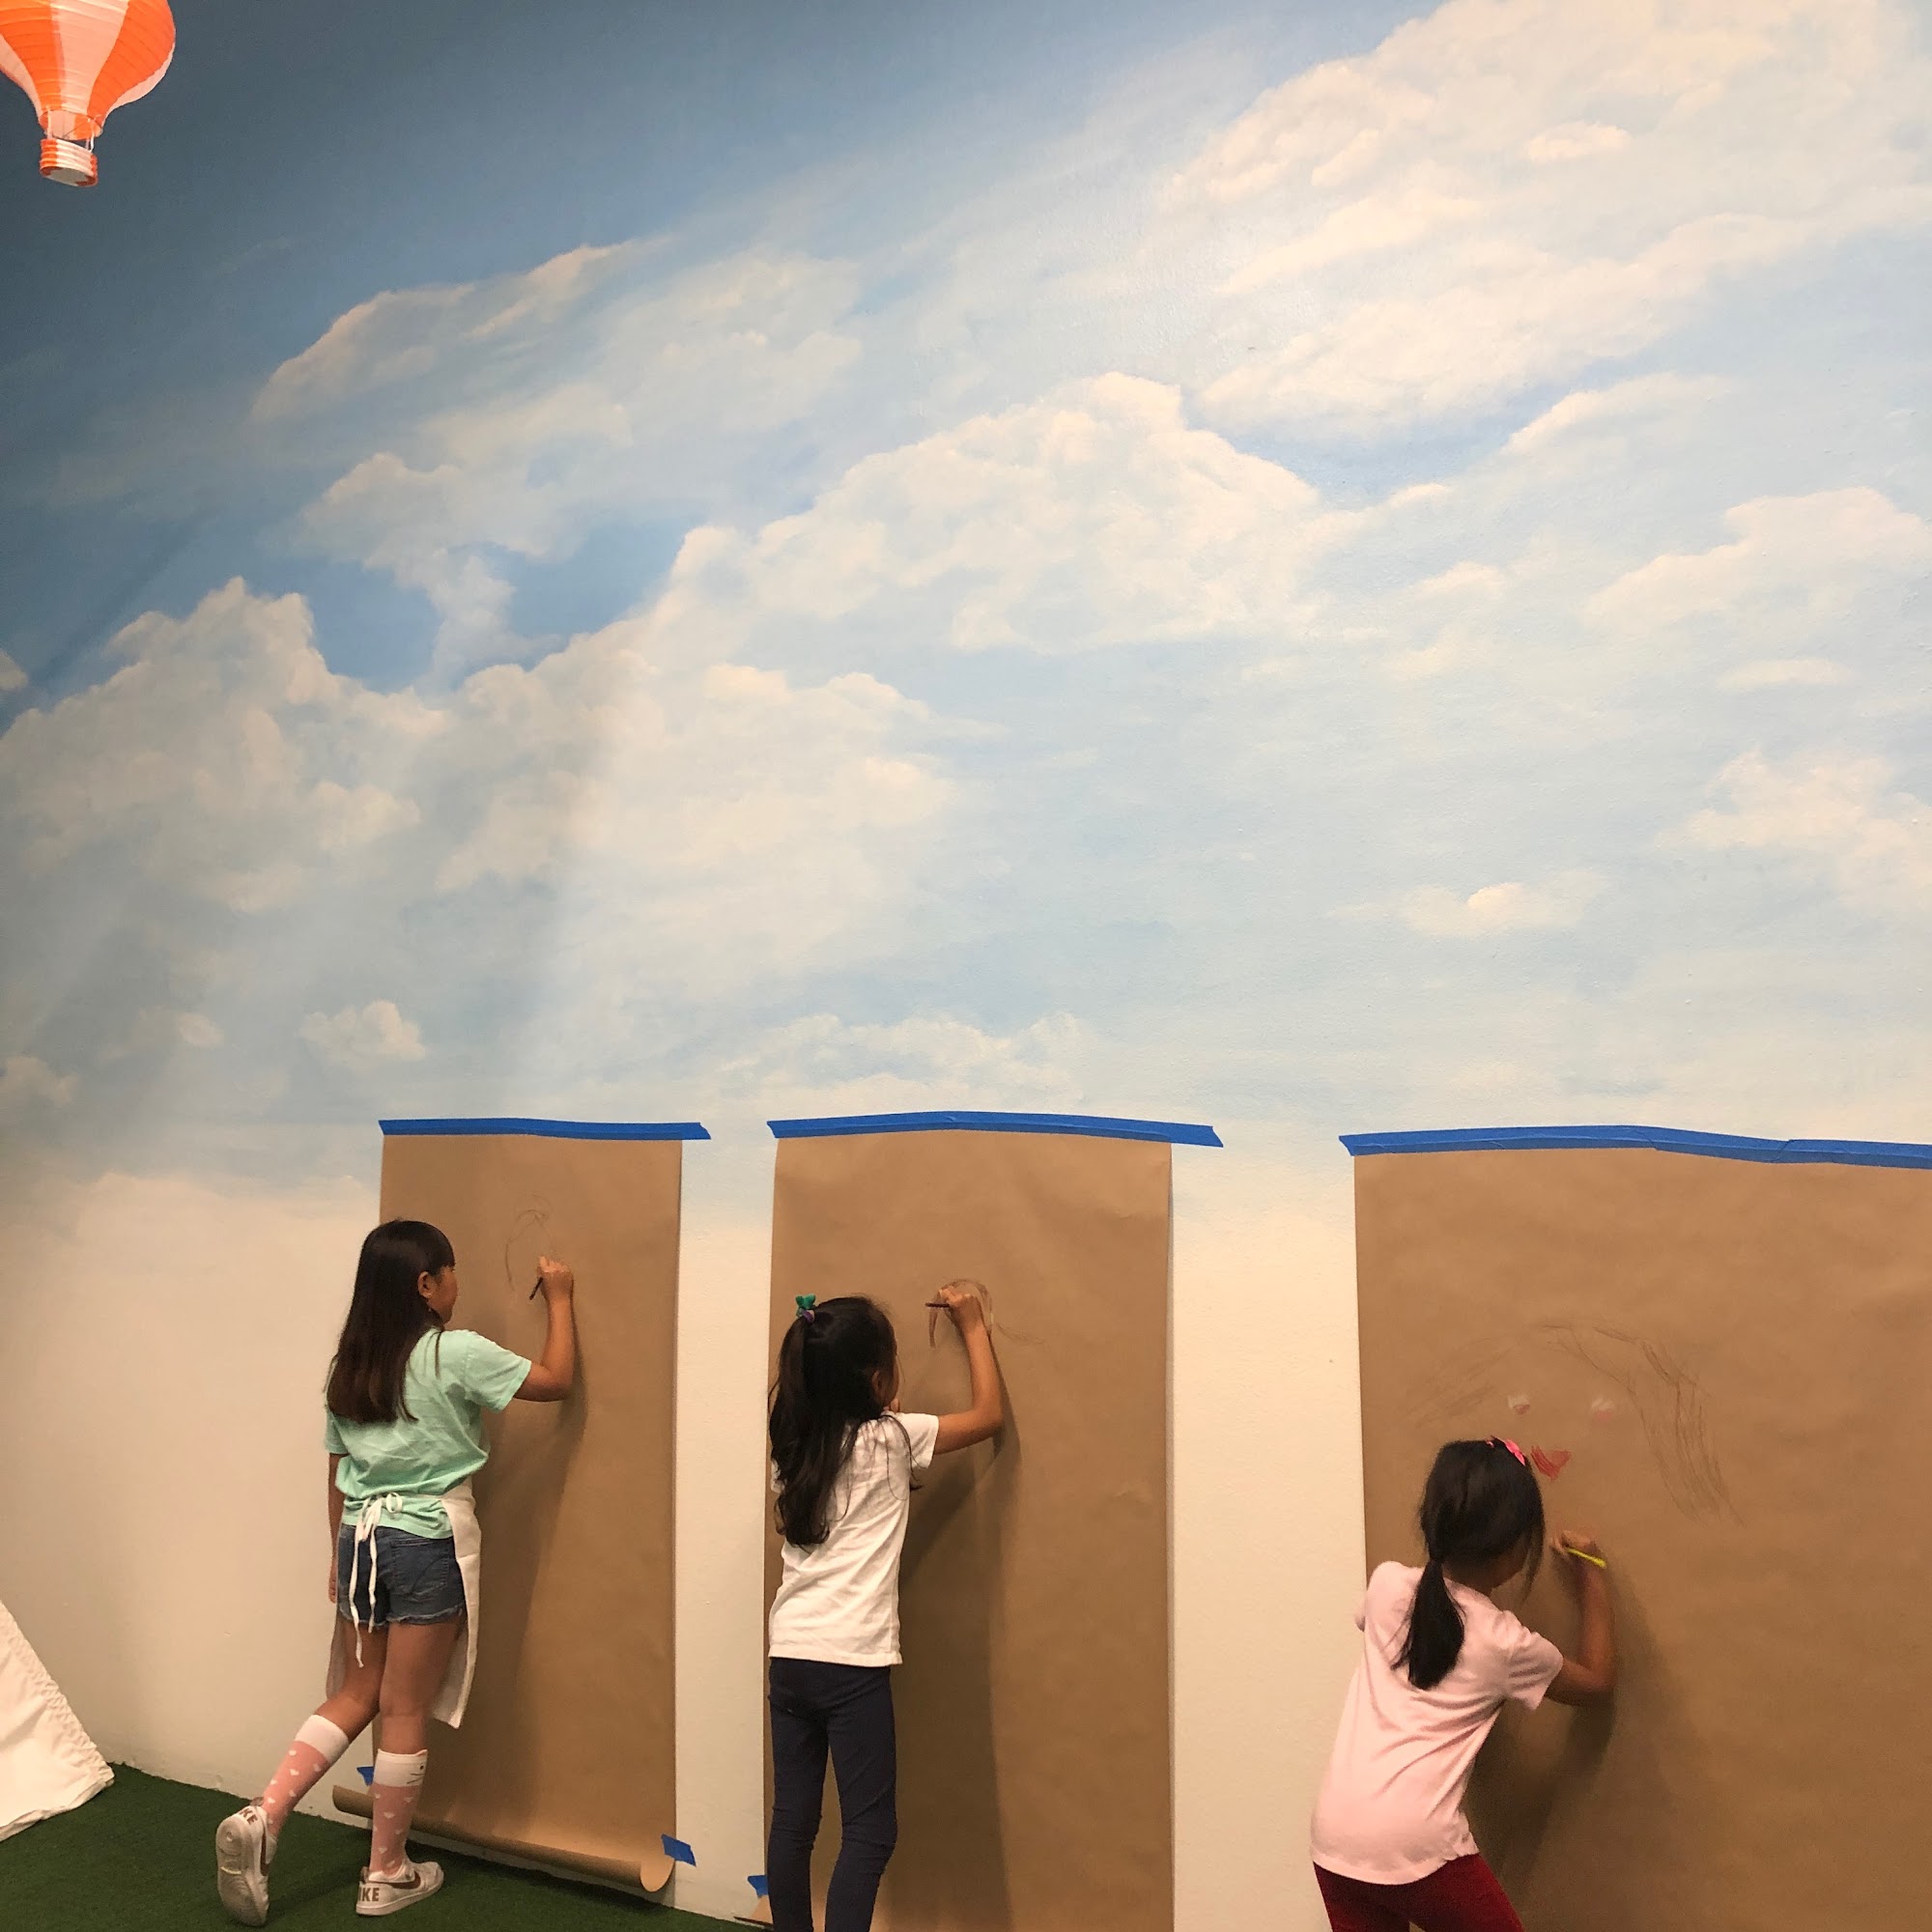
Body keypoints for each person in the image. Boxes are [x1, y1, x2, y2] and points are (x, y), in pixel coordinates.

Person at [214, 1219, 577, 1923]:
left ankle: (265, 1813)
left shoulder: (348, 1368)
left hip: (361, 1539)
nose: (458, 1284)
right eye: (452, 1271)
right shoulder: (454, 1352)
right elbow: (556, 1381)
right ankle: (385, 1874)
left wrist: (336, 1555)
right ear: (426, 1285)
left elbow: (338, 1471)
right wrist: (559, 1297)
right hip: (425, 1539)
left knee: (358, 1692)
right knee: (405, 1708)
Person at [765, 1284, 1005, 1932]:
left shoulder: (791, 1447)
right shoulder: (895, 1439)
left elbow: (844, 1438)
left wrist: (875, 1407)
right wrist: (972, 1325)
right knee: (870, 1831)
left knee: (793, 1823)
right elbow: (987, 1415)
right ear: (876, 1381)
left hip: (790, 1654)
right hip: (851, 1664)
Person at [1309, 1436, 1617, 1932]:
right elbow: (1597, 1681)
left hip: (1334, 1836)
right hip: (1416, 1843)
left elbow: (1404, 1629)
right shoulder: (1504, 1642)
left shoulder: (1387, 1584)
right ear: (1515, 1548)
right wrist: (1592, 1571)